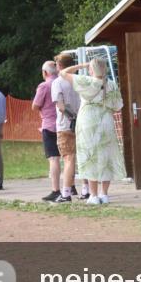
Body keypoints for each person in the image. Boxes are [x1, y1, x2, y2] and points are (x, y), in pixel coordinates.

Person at [59, 57, 125, 204]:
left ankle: (93, 195)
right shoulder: (112, 85)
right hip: (106, 121)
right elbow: (118, 106)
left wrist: (82, 64)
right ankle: (104, 194)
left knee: (90, 157)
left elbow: (63, 73)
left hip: (87, 122)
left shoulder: (86, 81)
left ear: (91, 68)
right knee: (105, 156)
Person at [53, 53, 84, 201]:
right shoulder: (81, 81)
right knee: (83, 156)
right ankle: (86, 189)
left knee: (68, 158)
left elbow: (60, 106)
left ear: (59, 66)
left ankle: (66, 192)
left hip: (66, 125)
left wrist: (72, 117)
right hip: (83, 121)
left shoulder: (58, 82)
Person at [32, 61, 62, 202]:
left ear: (45, 72)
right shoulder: (65, 82)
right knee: (69, 157)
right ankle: (71, 186)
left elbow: (35, 105)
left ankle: (56, 190)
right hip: (66, 123)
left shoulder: (44, 86)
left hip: (50, 125)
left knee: (54, 158)